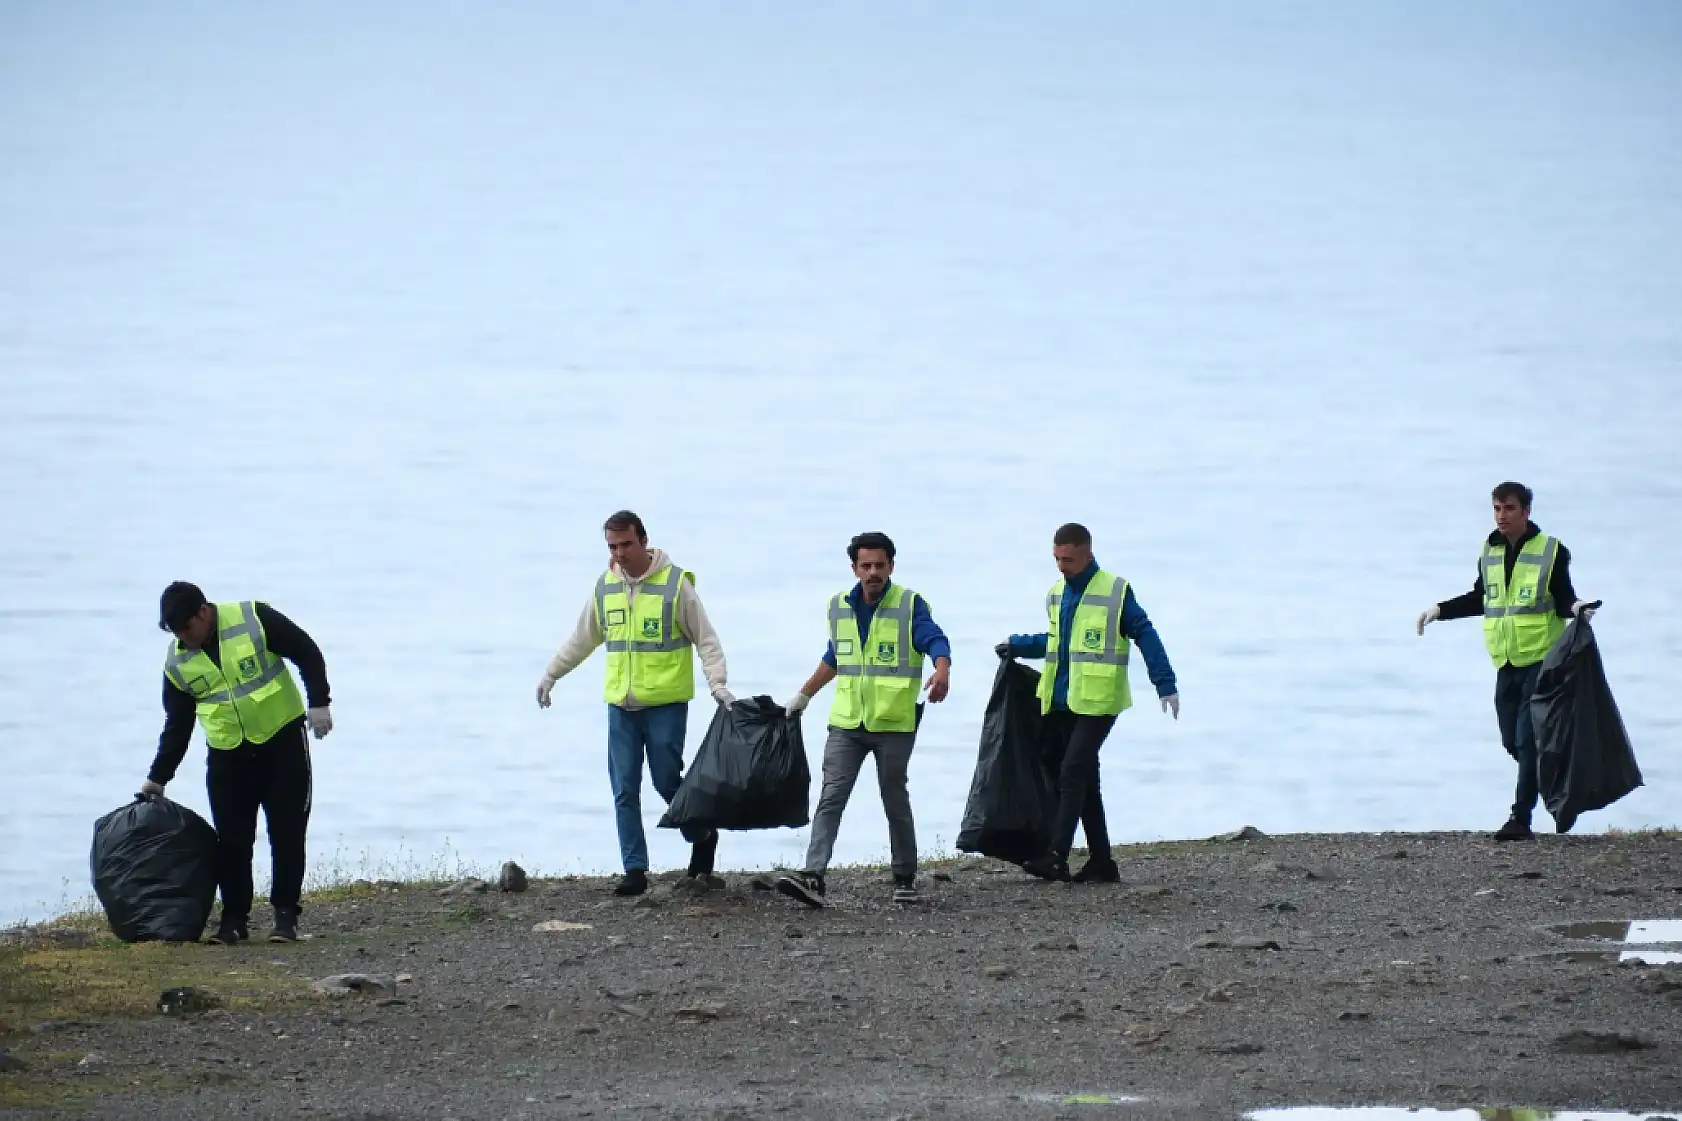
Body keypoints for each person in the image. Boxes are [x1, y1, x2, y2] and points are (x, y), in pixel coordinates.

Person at [537, 511, 735, 896]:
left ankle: (702, 834)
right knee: (624, 788)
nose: (620, 553)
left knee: (666, 781)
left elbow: (706, 639)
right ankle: (635, 870)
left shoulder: (675, 586)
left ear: (644, 541)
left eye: (626, 544)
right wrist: (551, 674)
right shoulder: (605, 587)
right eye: (612, 546)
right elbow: (582, 639)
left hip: (665, 705)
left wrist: (718, 684)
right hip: (620, 708)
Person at [143, 582, 333, 945]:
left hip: (282, 741)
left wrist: (319, 702)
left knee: (287, 832)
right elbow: (178, 724)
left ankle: (285, 917)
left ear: (203, 612)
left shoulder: (252, 619)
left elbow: (306, 651)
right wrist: (158, 778)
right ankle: (233, 921)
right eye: (175, 632)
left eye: (186, 628)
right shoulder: (178, 662)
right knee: (231, 841)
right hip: (227, 754)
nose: (183, 638)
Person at [775, 532, 952, 907]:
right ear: (854, 568)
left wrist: (941, 669)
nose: (873, 572)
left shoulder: (909, 604)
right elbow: (835, 657)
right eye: (866, 565)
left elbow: (934, 638)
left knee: (894, 797)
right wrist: (803, 696)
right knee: (831, 795)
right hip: (847, 722)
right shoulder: (838, 606)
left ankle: (904, 876)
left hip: (894, 723)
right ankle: (813, 875)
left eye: (880, 565)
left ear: (891, 566)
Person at [998, 523, 1179, 883]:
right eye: (1056, 558)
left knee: (1072, 771)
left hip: (1100, 701)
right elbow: (1056, 642)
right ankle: (1102, 862)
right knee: (1083, 778)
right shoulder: (1056, 593)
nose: (1061, 566)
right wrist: (1018, 645)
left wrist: (1165, 683)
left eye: (1067, 559)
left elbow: (1145, 633)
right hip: (1064, 699)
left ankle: (1056, 856)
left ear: (1087, 553)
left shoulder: (1115, 592)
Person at [1416, 481, 1597, 841]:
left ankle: (1520, 819)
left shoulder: (1551, 550)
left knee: (1527, 740)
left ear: (1526, 511)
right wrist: (1439, 610)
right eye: (1497, 508)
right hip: (1506, 661)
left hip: (1543, 659)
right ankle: (1557, 782)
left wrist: (1577, 609)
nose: (1502, 515)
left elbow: (1563, 597)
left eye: (1510, 508)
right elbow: (1481, 598)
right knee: (1511, 741)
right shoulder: (1490, 549)